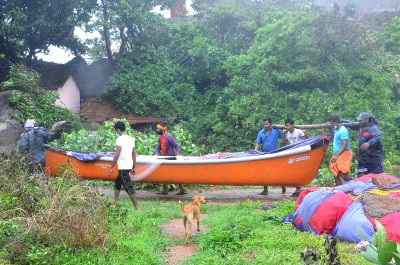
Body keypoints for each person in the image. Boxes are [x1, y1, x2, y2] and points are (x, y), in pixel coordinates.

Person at [108, 121, 140, 210]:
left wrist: (111, 167)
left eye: (116, 131)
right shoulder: (131, 139)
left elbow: (117, 154)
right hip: (128, 165)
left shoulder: (120, 139)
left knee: (128, 186)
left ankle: (137, 206)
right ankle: (114, 202)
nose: (116, 132)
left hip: (123, 167)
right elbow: (133, 155)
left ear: (118, 130)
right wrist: (133, 167)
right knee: (117, 183)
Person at [254, 116, 284, 195]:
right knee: (264, 172)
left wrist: (285, 132)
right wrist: (254, 153)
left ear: (270, 124)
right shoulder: (261, 133)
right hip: (265, 155)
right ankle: (265, 189)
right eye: (264, 124)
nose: (265, 126)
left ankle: (283, 186)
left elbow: (284, 139)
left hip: (275, 155)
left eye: (267, 124)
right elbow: (258, 144)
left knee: (278, 172)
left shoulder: (276, 131)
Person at [155, 123, 187, 195]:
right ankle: (165, 189)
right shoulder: (160, 138)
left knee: (175, 174)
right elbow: (158, 148)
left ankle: (182, 189)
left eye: (158, 129)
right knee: (163, 173)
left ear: (163, 130)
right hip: (165, 159)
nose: (157, 130)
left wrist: (177, 154)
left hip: (171, 159)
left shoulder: (169, 137)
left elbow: (177, 146)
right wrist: (156, 154)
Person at [282, 118, 309, 197]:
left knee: (298, 171)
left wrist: (305, 132)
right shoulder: (287, 133)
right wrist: (283, 133)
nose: (286, 127)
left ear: (292, 125)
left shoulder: (298, 131)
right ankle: (298, 188)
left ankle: (298, 188)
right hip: (292, 154)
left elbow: (308, 139)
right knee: (293, 171)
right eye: (285, 125)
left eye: (288, 125)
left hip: (300, 154)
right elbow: (283, 143)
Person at [356, 112, 384, 176]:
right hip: (363, 157)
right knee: (361, 176)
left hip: (374, 157)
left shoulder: (373, 128)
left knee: (379, 177)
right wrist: (341, 122)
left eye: (361, 120)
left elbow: (377, 138)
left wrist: (368, 143)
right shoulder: (361, 127)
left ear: (367, 120)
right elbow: (350, 123)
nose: (359, 122)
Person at [328, 115, 353, 186]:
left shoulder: (343, 130)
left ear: (336, 122)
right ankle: (339, 190)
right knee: (335, 173)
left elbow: (345, 144)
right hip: (337, 154)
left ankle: (356, 184)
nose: (331, 124)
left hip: (344, 154)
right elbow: (334, 134)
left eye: (332, 123)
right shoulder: (337, 129)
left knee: (344, 175)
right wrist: (330, 127)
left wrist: (336, 156)